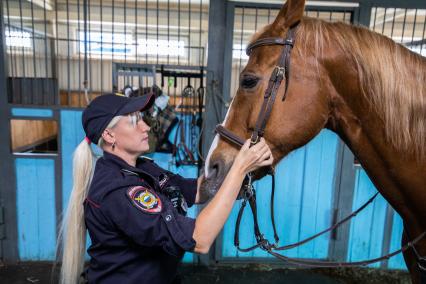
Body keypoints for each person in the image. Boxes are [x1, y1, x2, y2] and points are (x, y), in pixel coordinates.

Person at [58, 93, 273, 284]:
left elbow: (197, 190)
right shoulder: (118, 190)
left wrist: (237, 165)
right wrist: (240, 169)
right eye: (134, 121)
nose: (146, 126)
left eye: (141, 118)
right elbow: (200, 239)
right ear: (109, 135)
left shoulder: (144, 167)